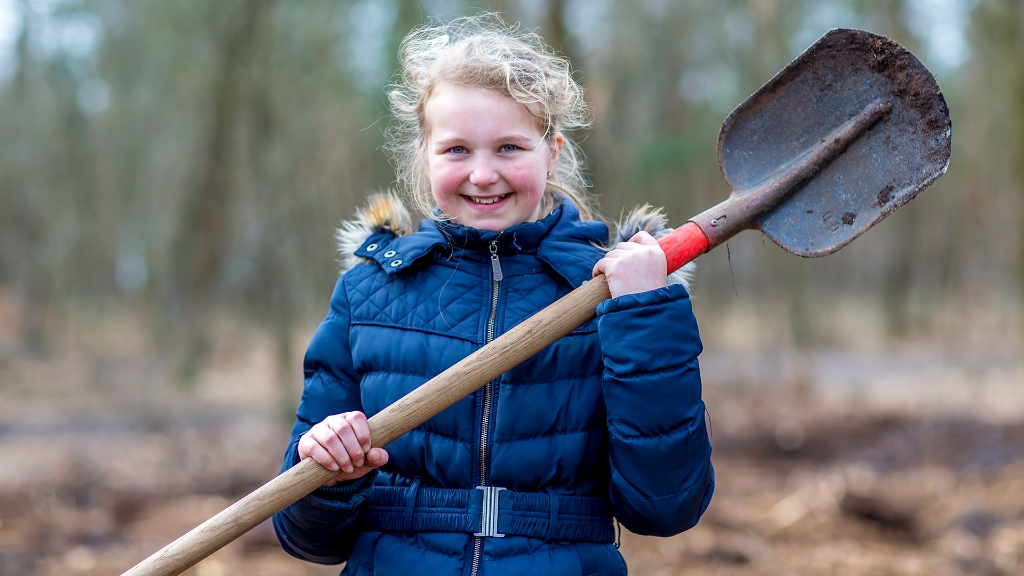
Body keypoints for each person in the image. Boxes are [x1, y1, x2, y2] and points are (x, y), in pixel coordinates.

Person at [273, 14, 713, 576]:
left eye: (509, 147)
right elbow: (305, 536)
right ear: (424, 156)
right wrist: (328, 469)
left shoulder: (614, 292)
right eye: (457, 150)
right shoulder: (370, 293)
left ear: (551, 153)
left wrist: (646, 317)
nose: (483, 174)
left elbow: (667, 505)